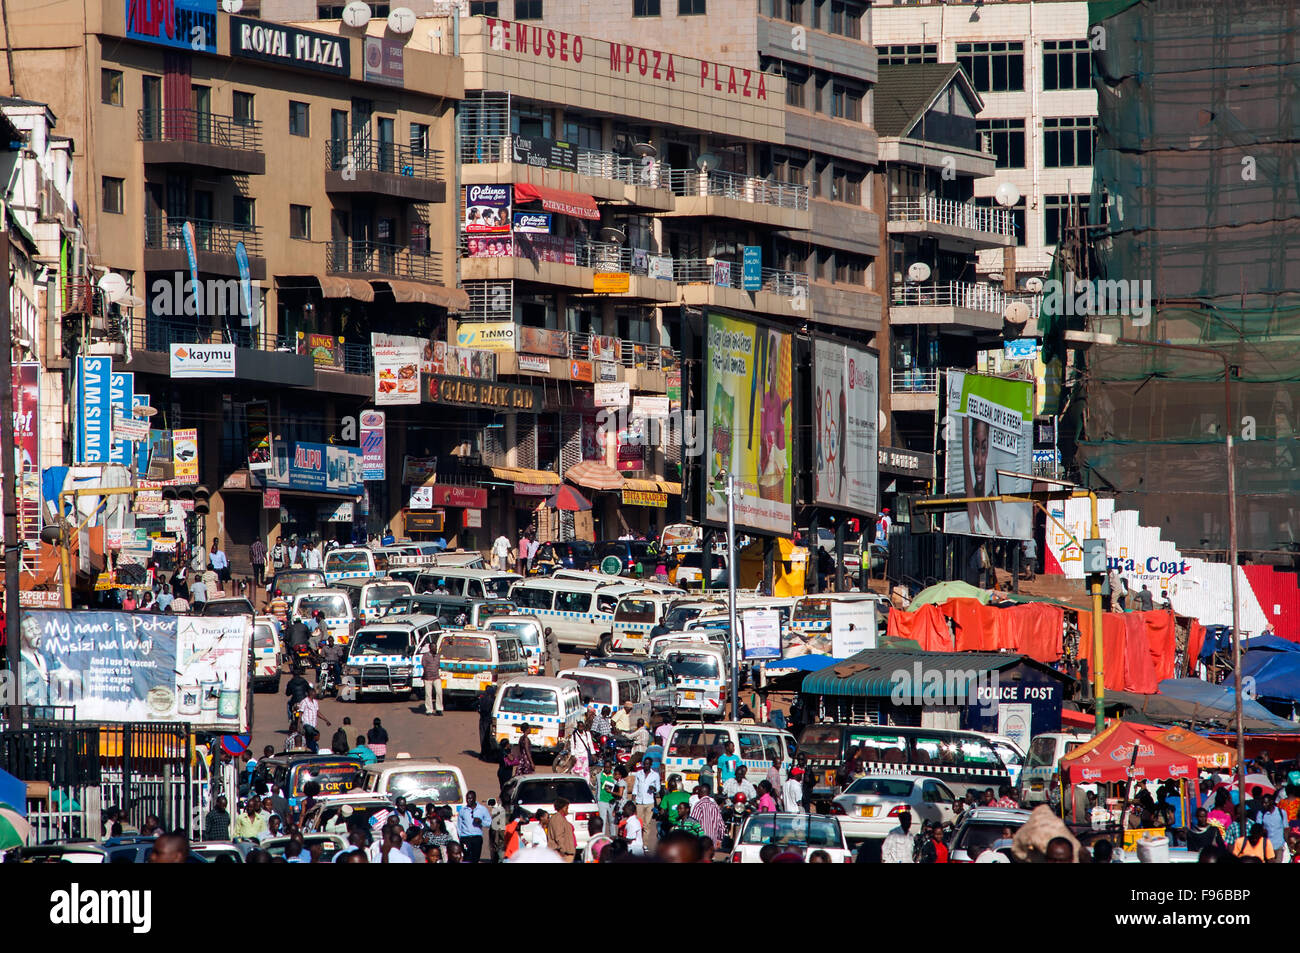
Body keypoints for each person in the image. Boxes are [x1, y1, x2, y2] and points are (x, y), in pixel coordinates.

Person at [631, 756, 661, 851]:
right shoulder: (639, 774)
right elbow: (636, 786)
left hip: (649, 802)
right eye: (645, 764)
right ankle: (638, 842)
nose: (646, 765)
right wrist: (633, 796)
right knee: (639, 823)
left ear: (651, 765)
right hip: (639, 802)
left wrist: (654, 789)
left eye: (648, 764)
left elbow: (658, 788)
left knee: (647, 824)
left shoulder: (655, 775)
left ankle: (645, 844)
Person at [457, 790, 492, 863]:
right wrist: (461, 837)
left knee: (475, 858)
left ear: (475, 798)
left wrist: (481, 822)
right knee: (466, 858)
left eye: (470, 798)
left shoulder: (482, 809)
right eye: (467, 799)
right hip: (465, 838)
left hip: (477, 838)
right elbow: (459, 825)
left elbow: (489, 823)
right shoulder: (463, 810)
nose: (468, 800)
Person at [420, 639, 443, 716]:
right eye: (433, 648)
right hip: (427, 678)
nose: (435, 649)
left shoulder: (438, 656)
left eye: (436, 647)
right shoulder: (425, 656)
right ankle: (429, 710)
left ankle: (439, 709)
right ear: (430, 648)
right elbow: (424, 665)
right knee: (428, 694)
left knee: (439, 692)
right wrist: (428, 672)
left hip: (436, 677)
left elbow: (439, 665)